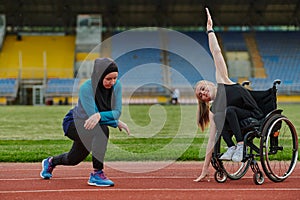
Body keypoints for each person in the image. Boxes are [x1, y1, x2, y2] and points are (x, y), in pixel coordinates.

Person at [193, 8, 263, 182]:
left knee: (229, 110)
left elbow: (216, 53)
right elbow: (211, 141)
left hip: (252, 116)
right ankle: (232, 147)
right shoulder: (213, 109)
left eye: (202, 88)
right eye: (200, 95)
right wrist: (204, 170)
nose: (202, 93)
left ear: (209, 84)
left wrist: (210, 31)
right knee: (220, 115)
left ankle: (239, 146)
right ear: (204, 100)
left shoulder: (222, 79)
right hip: (234, 121)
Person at [40, 58, 130, 187]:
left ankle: (50, 162)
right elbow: (92, 115)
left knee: (73, 159)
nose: (113, 82)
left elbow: (117, 112)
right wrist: (114, 122)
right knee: (102, 130)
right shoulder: (86, 88)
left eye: (115, 78)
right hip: (74, 123)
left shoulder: (117, 86)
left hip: (92, 125)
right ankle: (97, 174)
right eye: (108, 79)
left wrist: (111, 119)